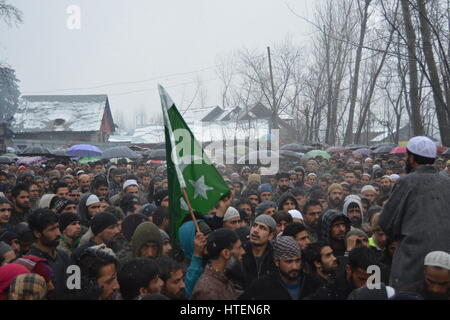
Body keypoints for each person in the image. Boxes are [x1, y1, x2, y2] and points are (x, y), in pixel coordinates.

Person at [379, 136, 450, 289]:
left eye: (406, 156)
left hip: (412, 265)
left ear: (411, 158)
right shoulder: (447, 182)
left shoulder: (406, 182)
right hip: (446, 266)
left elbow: (385, 222)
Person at [240, 236, 305, 300]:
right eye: (289, 262)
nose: (295, 266)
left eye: (298, 261)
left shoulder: (311, 283)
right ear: (277, 262)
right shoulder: (261, 287)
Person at [307, 246, 381, 300]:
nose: (366, 285)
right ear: (349, 270)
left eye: (371, 280)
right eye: (361, 279)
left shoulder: (380, 289)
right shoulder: (329, 293)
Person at [27, 209, 70, 299]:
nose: (58, 233)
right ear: (37, 233)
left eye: (57, 227)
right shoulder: (30, 263)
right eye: (51, 229)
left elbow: (75, 286)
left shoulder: (64, 256)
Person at [191, 228, 245, 300]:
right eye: (239, 248)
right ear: (226, 253)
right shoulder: (207, 292)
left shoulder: (223, 278)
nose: (243, 252)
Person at [242, 214, 277, 289]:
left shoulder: (275, 256)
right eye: (254, 225)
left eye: (262, 228)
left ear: (271, 235)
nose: (255, 230)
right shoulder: (241, 252)